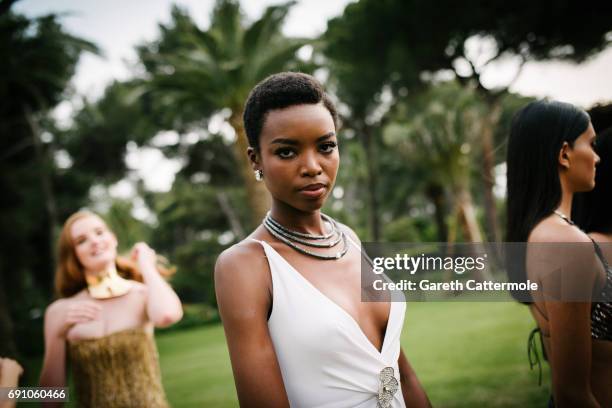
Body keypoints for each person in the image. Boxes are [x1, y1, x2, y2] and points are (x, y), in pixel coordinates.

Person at [214, 72, 430, 408]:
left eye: (326, 146)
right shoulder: (246, 266)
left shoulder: (348, 239)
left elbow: (402, 372)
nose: (313, 166)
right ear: (255, 159)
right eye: (287, 152)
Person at [506, 100, 610, 407]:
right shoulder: (566, 244)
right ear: (564, 154)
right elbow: (572, 395)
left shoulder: (540, 234)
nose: (597, 157)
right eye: (590, 144)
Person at [39, 211, 183, 407]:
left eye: (99, 232)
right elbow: (49, 401)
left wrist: (146, 265)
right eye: (81, 240)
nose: (94, 241)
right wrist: (57, 334)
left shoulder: (142, 294)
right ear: (73, 255)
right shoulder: (59, 311)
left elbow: (167, 315)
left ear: (113, 239)